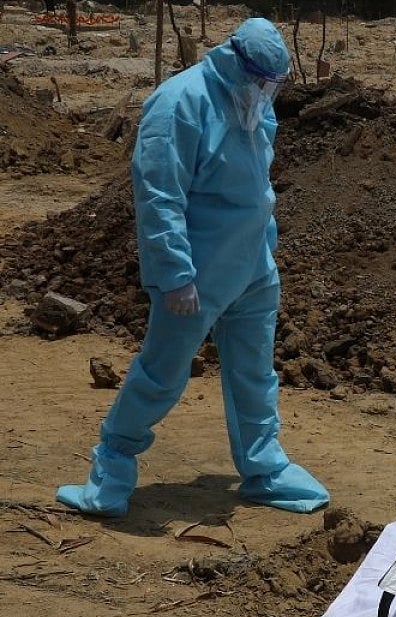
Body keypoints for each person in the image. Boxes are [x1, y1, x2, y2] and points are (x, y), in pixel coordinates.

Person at [56, 18, 330, 517]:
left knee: (254, 372)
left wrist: (265, 247)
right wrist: (174, 273)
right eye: (263, 81)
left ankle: (264, 468)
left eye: (275, 84)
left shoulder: (251, 101)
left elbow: (256, 185)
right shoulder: (179, 102)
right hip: (197, 274)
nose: (268, 91)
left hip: (251, 266)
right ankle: (111, 469)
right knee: (162, 374)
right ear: (238, 64)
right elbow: (159, 196)